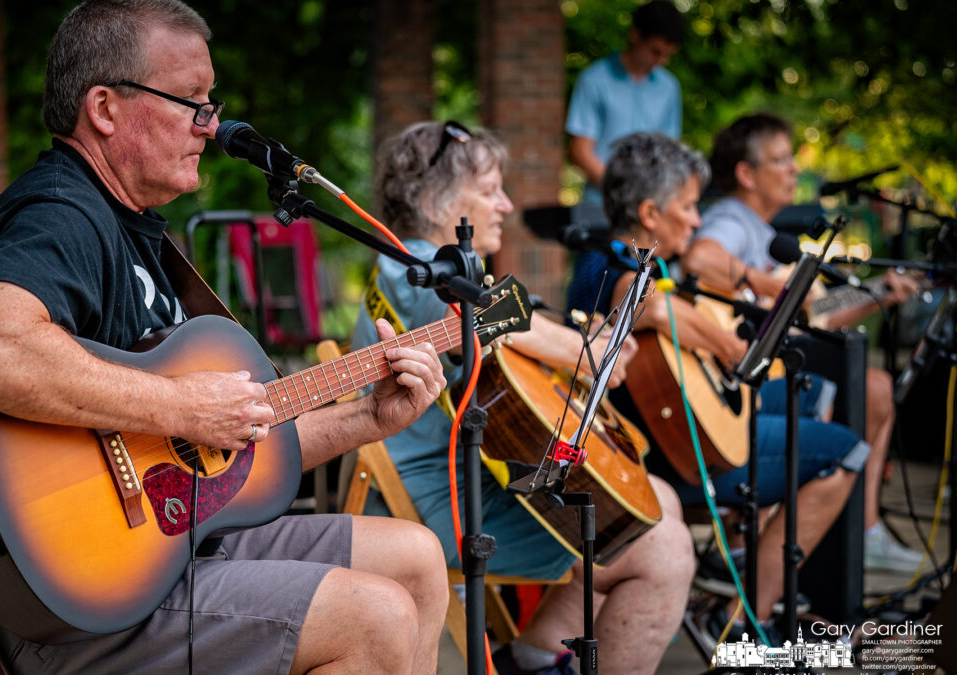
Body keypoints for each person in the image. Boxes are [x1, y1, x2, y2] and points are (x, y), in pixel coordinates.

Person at [0, 2, 451, 673]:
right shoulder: (62, 214)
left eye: (212, 104)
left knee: (417, 560)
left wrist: (366, 417)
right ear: (104, 108)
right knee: (373, 614)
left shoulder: (139, 232)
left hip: (168, 553)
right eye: (190, 101)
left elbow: (230, 463)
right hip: (76, 608)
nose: (212, 126)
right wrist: (177, 406)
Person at [351, 121, 695, 675]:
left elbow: (496, 320)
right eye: (489, 191)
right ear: (439, 200)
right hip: (430, 505)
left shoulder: (405, 263)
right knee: (664, 550)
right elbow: (481, 318)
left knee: (657, 503)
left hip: (447, 486)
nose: (507, 204)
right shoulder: (421, 271)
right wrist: (590, 349)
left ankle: (535, 658)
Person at [564, 131, 870, 640]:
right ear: (648, 214)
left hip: (683, 432)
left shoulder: (642, 262)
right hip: (668, 456)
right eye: (687, 207)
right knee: (846, 453)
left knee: (807, 392)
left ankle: (743, 570)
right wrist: (728, 349)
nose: (697, 219)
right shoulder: (610, 264)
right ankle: (749, 620)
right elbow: (650, 307)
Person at [680, 112, 923, 574]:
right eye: (781, 160)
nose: (794, 169)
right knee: (867, 389)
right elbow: (701, 257)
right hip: (737, 381)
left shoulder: (764, 231)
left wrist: (879, 295)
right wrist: (768, 286)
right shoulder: (733, 219)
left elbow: (811, 317)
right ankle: (792, 539)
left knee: (868, 387)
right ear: (746, 174)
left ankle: (802, 537)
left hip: (752, 378)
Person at [565, 0, 686, 205]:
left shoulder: (669, 86)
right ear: (636, 35)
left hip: (651, 205)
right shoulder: (595, 79)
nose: (661, 61)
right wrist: (621, 193)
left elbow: (669, 152)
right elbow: (580, 151)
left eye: (667, 55)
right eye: (655, 51)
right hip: (602, 203)